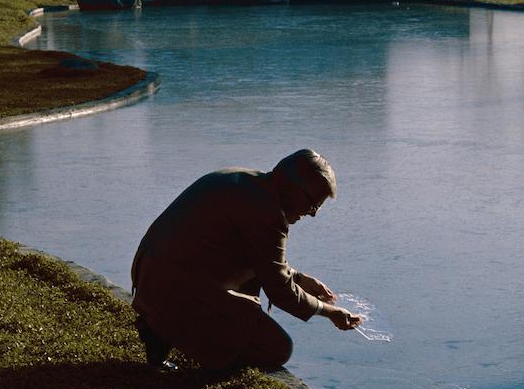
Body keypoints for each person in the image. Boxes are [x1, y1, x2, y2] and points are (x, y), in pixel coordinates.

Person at [130, 149, 362, 371]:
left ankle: (164, 328)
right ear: (294, 187)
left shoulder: (246, 182)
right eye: (313, 205)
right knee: (276, 348)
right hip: (172, 289)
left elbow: (257, 260)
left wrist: (299, 278)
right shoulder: (268, 215)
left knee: (248, 294)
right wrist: (329, 312)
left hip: (151, 274)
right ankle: (172, 333)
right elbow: (280, 291)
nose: (312, 214)